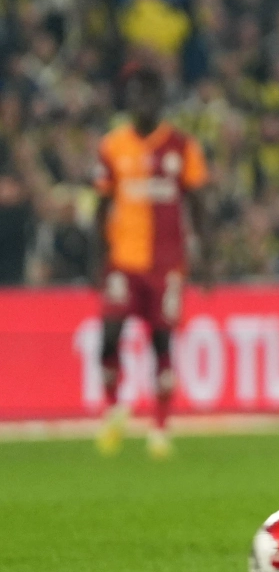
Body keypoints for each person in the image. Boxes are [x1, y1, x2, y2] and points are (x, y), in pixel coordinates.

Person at [93, 67, 210, 460]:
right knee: (108, 338)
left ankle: (160, 429)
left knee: (161, 342)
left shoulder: (181, 146)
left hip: (167, 264)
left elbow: (198, 203)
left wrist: (206, 256)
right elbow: (101, 206)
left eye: (149, 95)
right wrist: (97, 259)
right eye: (136, 95)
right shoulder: (113, 146)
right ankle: (114, 410)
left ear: (160, 101)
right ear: (128, 100)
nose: (142, 102)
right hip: (123, 260)